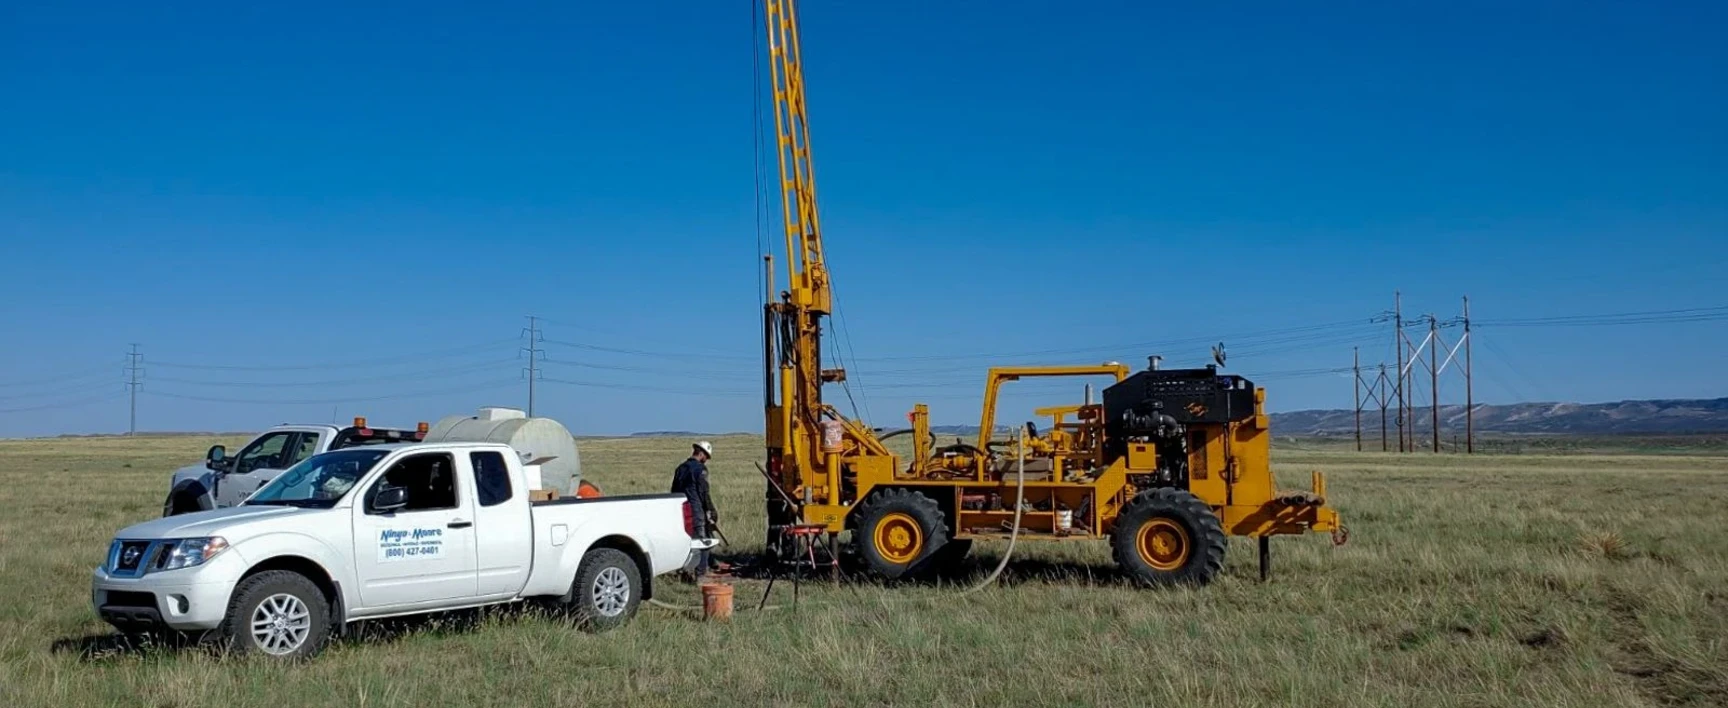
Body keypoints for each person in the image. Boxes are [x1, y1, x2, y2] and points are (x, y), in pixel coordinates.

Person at [671, 441, 717, 576]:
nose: (706, 460)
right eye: (706, 457)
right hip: (696, 511)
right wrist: (711, 510)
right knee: (703, 542)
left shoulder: (680, 468)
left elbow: (674, 491)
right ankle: (700, 573)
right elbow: (704, 493)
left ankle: (685, 569)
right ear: (702, 454)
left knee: (686, 542)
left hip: (681, 511)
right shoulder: (700, 470)